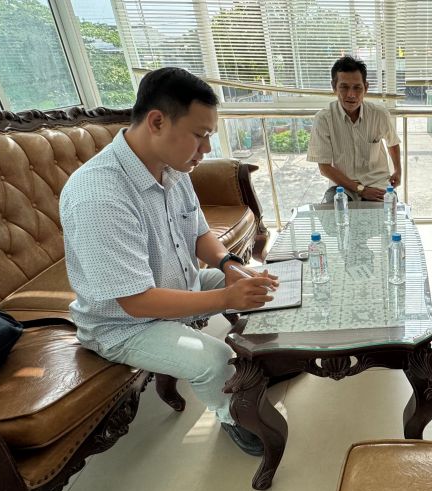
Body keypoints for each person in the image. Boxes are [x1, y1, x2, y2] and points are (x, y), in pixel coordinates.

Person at [60, 67, 278, 457]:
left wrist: (229, 265)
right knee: (213, 359)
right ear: (157, 122)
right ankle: (232, 414)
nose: (206, 149)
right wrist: (227, 298)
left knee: (262, 281)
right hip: (123, 325)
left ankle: (262, 361)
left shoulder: (172, 168)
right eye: (201, 135)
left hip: (177, 285)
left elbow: (199, 234)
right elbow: (137, 301)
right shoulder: (99, 195)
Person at [307, 55, 402, 203]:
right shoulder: (323, 119)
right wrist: (361, 190)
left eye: (357, 88)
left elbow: (393, 142)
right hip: (341, 186)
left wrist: (398, 171)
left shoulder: (379, 114)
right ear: (334, 87)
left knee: (386, 217)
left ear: (366, 88)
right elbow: (324, 167)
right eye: (344, 87)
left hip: (377, 183)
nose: (351, 95)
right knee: (333, 218)